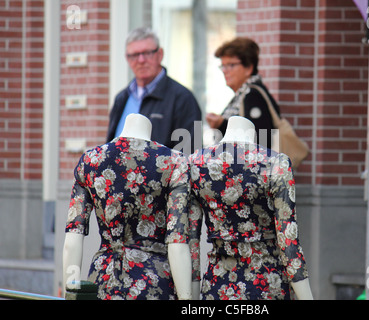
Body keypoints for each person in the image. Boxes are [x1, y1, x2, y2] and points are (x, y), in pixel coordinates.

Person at [63, 113, 193, 300]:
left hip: (104, 281)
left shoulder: (90, 161)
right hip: (154, 283)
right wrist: (187, 299)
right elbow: (177, 242)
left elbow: (72, 239)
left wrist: (71, 293)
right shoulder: (174, 162)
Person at [188, 116, 313, 300]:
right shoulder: (276, 163)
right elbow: (289, 243)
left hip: (218, 286)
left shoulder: (195, 162)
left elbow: (191, 242)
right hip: (267, 285)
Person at [106, 27, 202, 154]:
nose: (141, 60)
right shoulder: (121, 98)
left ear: (160, 54)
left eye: (147, 53)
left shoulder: (184, 98)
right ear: (127, 59)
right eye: (134, 55)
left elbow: (192, 154)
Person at [206, 37, 280, 149]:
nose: (225, 71)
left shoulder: (252, 95)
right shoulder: (242, 94)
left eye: (231, 65)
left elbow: (258, 140)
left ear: (248, 68)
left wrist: (221, 124)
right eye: (223, 66)